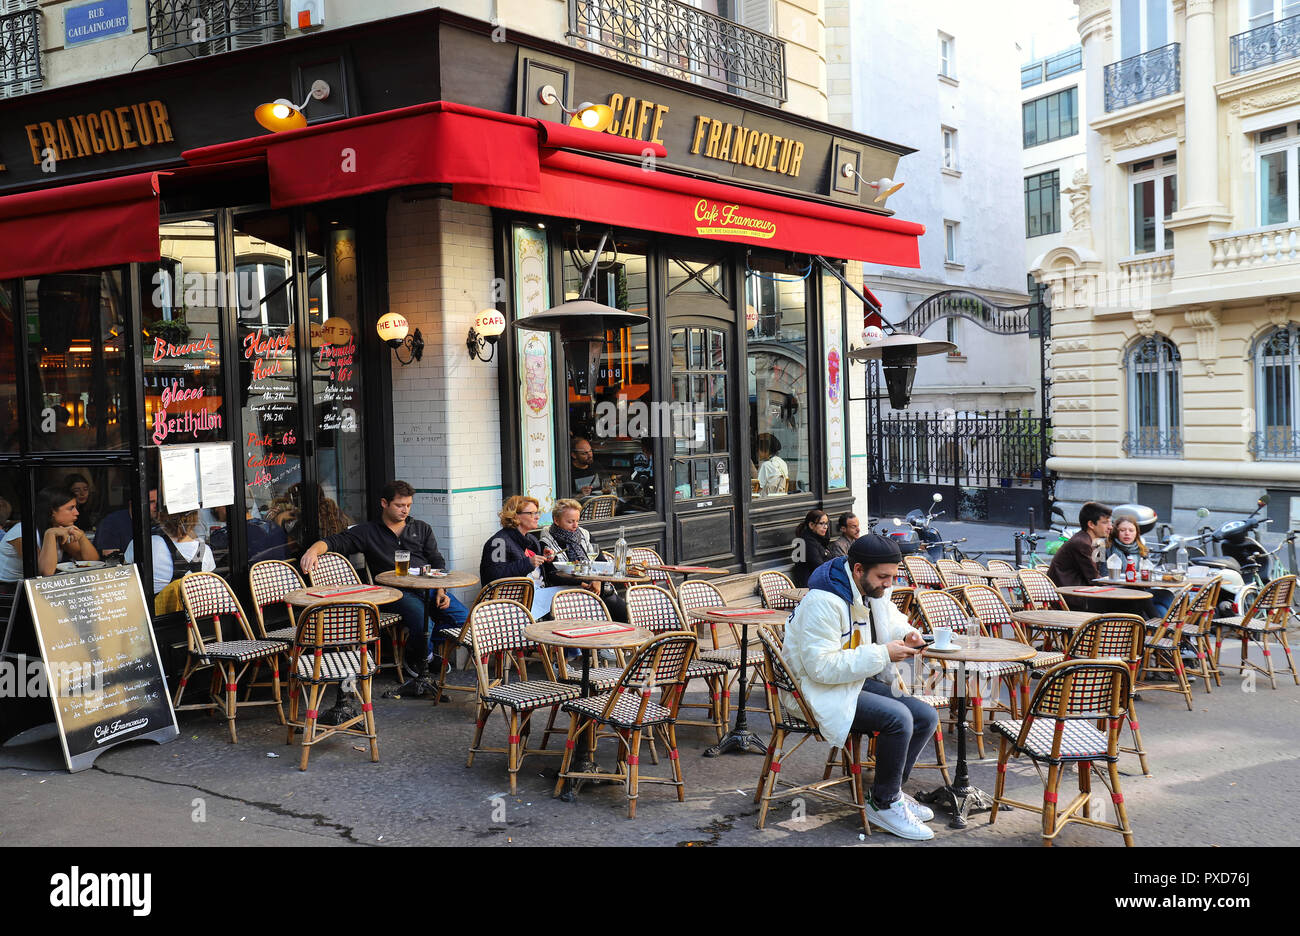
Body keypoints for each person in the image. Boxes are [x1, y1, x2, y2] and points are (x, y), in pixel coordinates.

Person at [782, 533, 937, 840]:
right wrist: (883, 653)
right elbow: (821, 668)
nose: (889, 584)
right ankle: (885, 804)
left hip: (849, 682)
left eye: (893, 576)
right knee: (899, 718)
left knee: (924, 716)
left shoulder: (870, 590)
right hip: (811, 692)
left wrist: (910, 636)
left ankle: (888, 792)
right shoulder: (823, 602)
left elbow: (893, 622)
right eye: (883, 577)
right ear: (857, 570)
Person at [299, 480, 468, 686]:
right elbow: (335, 541)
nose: (405, 510)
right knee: (425, 622)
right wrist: (312, 551)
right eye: (399, 505)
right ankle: (421, 657)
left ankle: (425, 650)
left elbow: (437, 562)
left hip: (428, 586)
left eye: (408, 505)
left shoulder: (421, 528)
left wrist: (441, 589)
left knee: (463, 619)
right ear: (384, 503)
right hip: (393, 592)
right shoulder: (368, 531)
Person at [538, 498, 628, 622]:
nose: (575, 526)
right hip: (566, 591)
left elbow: (602, 562)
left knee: (625, 614)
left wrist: (597, 580)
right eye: (570, 521)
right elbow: (552, 575)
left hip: (596, 588)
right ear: (556, 520)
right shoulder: (546, 542)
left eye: (577, 521)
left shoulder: (585, 534)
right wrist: (582, 583)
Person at [480, 495, 563, 619]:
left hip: (535, 597)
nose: (537, 517)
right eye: (531, 513)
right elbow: (494, 576)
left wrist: (547, 560)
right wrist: (528, 563)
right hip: (512, 604)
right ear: (516, 516)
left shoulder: (531, 539)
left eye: (537, 512)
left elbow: (539, 573)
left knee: (576, 595)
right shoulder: (499, 542)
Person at [0, 485, 100, 582]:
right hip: (10, 589)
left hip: (37, 585)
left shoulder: (61, 529)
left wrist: (81, 536)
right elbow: (44, 572)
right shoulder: (22, 532)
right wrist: (50, 534)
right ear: (51, 511)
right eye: (71, 508)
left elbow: (91, 562)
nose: (76, 512)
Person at [124, 509, 215, 613]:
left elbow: (125, 578)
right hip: (194, 620)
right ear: (195, 519)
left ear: (162, 517)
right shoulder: (204, 549)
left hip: (157, 618)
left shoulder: (147, 544)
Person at [1107, 515, 1170, 617]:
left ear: (1136, 533)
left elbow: (1147, 571)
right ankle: (1159, 626)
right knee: (1141, 594)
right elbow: (1105, 575)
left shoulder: (1141, 550)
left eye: (1131, 530)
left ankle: (1160, 627)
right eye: (1123, 530)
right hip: (1118, 590)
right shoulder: (1109, 548)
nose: (1127, 533)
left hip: (1140, 588)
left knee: (1166, 595)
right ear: (1116, 532)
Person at [1047, 501, 1112, 588]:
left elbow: (1100, 574)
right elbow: (1094, 579)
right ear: (1091, 524)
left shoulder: (1098, 542)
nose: (1110, 526)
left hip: (1084, 590)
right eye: (1105, 522)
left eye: (1110, 522)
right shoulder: (1081, 543)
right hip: (1072, 593)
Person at [95, 488, 159, 555]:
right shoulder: (111, 523)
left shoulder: (160, 522)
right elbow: (111, 559)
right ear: (133, 504)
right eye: (151, 502)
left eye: (158, 502)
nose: (156, 506)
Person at [791, 509, 833, 588]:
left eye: (826, 523)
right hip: (811, 587)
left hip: (820, 582)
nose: (826, 527)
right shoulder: (807, 542)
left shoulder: (819, 539)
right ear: (811, 525)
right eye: (821, 523)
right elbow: (820, 567)